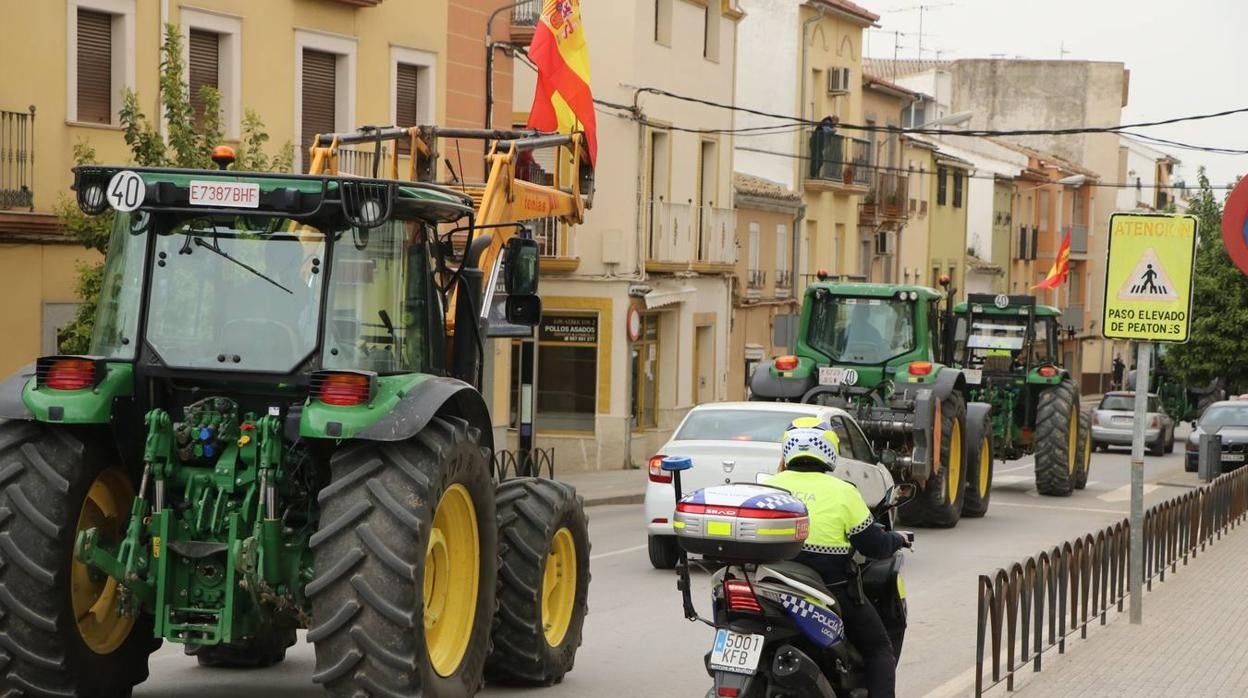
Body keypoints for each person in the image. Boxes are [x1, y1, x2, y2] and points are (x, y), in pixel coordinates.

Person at [768, 418, 909, 698]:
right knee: (879, 648)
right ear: (829, 451)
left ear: (788, 450)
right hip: (829, 591)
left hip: (772, 584)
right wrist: (898, 539)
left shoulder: (770, 485)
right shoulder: (844, 492)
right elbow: (873, 545)